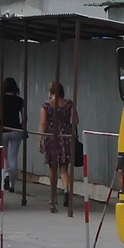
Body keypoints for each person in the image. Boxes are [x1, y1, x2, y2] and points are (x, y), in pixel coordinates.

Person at [39, 82, 78, 212]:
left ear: (51, 91)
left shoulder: (46, 105)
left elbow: (43, 123)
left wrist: (40, 140)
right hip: (66, 137)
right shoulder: (68, 104)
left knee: (52, 168)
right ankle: (67, 190)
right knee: (63, 169)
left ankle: (53, 195)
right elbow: (76, 120)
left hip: (52, 138)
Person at [0, 77, 24, 193]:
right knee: (14, 156)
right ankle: (12, 184)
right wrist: (22, 125)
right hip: (16, 129)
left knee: (4, 155)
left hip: (3, 130)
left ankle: (6, 175)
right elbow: (24, 116)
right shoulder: (19, 100)